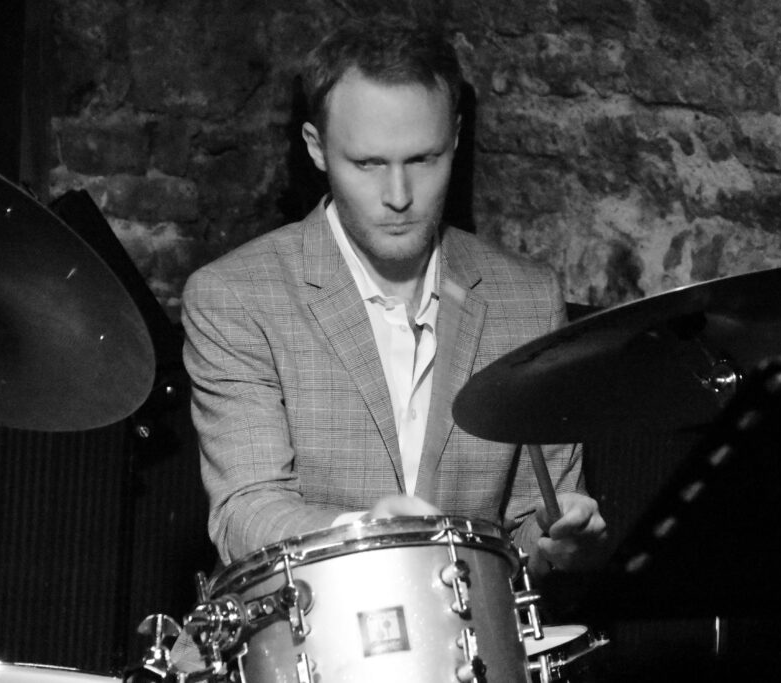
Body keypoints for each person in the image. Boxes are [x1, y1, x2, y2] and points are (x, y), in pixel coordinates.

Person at [181, 15, 605, 578]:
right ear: (316, 148)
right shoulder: (237, 297)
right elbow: (246, 513)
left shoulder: (527, 300)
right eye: (368, 163)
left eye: (423, 159)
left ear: (455, 138)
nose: (399, 196)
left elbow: (526, 530)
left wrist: (555, 546)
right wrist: (370, 535)